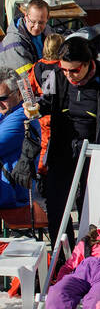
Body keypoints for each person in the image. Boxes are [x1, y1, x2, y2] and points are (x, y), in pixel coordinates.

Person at [30, 36, 100, 238]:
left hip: (95, 146)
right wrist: (36, 109)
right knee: (56, 204)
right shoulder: (55, 75)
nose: (69, 75)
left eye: (75, 70)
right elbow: (47, 101)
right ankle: (63, 256)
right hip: (63, 144)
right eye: (65, 70)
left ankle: (90, 254)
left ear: (88, 64)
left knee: (90, 205)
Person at [0, 68, 38, 208]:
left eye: (3, 98)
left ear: (19, 94)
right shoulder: (7, 112)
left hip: (12, 194)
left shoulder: (22, 116)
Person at [0, 0, 52, 72]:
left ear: (47, 19)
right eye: (33, 22)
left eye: (41, 22)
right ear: (26, 16)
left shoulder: (48, 31)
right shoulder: (15, 44)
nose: (36, 27)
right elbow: (28, 77)